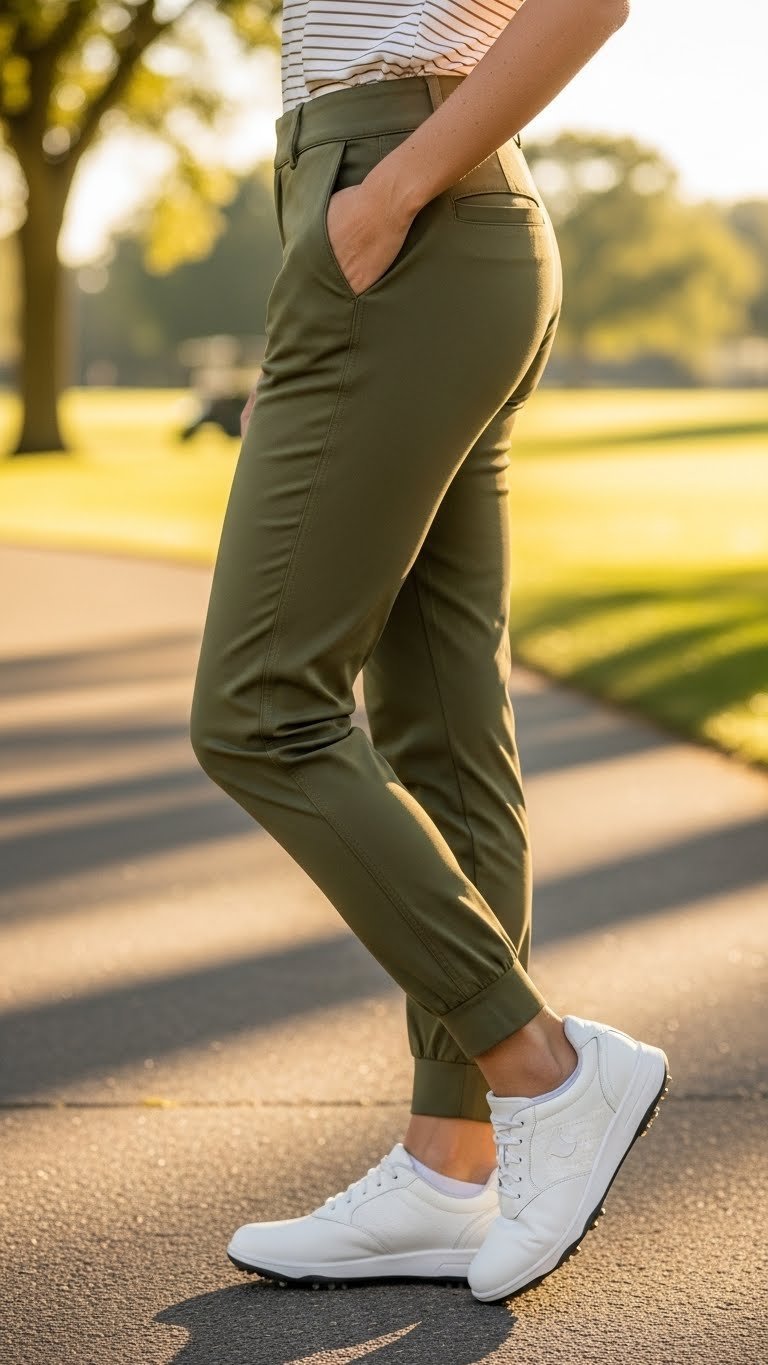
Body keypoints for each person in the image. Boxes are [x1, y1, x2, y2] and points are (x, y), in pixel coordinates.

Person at [190, 0, 670, 1303]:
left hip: (403, 195)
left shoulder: (394, 191)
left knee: (259, 706)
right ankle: (448, 1165)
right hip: (400, 206)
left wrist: (385, 192)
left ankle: (543, 1070)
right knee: (439, 730)